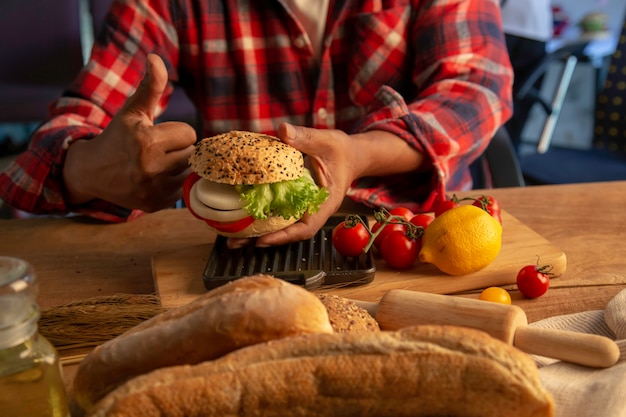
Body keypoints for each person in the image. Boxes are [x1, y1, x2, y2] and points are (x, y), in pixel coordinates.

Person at [0, 0, 513, 247]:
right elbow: (69, 128)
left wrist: (360, 155)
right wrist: (88, 167)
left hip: (416, 238)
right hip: (241, 255)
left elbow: (477, 88)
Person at [500, 0, 554, 148]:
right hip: (534, 28)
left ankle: (501, 164)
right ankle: (507, 162)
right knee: (517, 106)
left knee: (501, 101)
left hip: (506, 24)